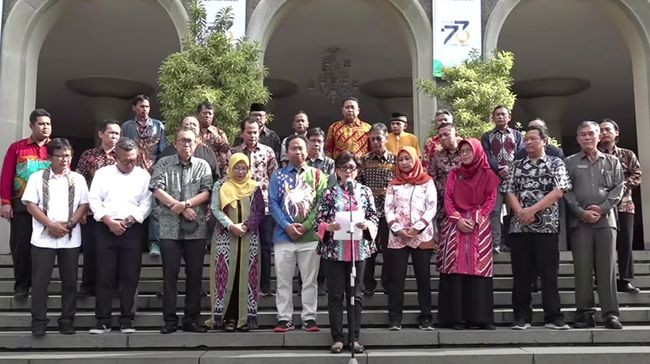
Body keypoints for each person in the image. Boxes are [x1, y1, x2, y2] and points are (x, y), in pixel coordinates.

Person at [505, 124, 571, 330]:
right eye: (526, 139)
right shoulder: (516, 165)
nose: (528, 142)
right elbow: (508, 191)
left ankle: (553, 316)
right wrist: (521, 212)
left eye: (533, 138)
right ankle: (521, 317)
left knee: (548, 273)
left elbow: (559, 191)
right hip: (520, 227)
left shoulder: (555, 163)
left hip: (547, 228)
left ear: (544, 141)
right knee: (521, 273)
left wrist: (532, 210)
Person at [22, 138, 89, 336]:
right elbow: (30, 204)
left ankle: (67, 320)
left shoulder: (78, 178)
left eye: (67, 155)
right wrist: (50, 224)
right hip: (43, 237)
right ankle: (39, 322)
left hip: (70, 237)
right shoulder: (37, 177)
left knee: (69, 282)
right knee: (41, 282)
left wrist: (68, 224)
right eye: (59, 156)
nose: (64, 160)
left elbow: (83, 205)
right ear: (50, 157)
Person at [151, 128, 213, 334]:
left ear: (196, 144)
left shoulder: (202, 165)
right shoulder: (164, 163)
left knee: (195, 275)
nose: (186, 145)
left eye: (190, 141)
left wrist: (185, 205)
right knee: (170, 276)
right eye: (182, 141)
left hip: (196, 230)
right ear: (175, 143)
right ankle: (169, 320)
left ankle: (191, 319)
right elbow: (157, 189)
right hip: (169, 229)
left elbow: (206, 191)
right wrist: (176, 206)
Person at [88, 137, 152, 334]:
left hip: (131, 229)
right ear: (116, 156)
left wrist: (131, 220)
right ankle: (103, 320)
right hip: (105, 227)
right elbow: (94, 200)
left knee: (130, 275)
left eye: (133, 159)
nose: (130, 163)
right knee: (104, 274)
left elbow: (147, 203)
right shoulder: (103, 173)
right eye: (126, 160)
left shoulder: (143, 175)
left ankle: (127, 319)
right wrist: (109, 221)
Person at [316, 151, 378, 354]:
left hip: (358, 250)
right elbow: (320, 220)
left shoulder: (365, 192)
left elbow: (374, 217)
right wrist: (329, 226)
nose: (348, 171)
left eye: (352, 167)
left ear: (357, 170)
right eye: (344, 168)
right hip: (335, 251)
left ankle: (354, 338)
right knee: (335, 295)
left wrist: (367, 224)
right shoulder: (330, 193)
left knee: (355, 295)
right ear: (338, 171)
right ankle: (337, 338)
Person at [565, 121, 624, 330]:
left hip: (606, 222)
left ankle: (610, 314)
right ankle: (584, 313)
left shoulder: (612, 161)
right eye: (583, 134)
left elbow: (618, 189)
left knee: (607, 269)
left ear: (599, 137)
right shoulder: (569, 162)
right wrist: (582, 212)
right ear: (578, 138)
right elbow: (566, 191)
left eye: (591, 134)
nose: (587, 137)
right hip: (580, 222)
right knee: (582, 268)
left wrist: (601, 209)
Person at [436, 138, 500, 330]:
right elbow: (447, 200)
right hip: (455, 225)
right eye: (462, 152)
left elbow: (491, 200)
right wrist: (458, 220)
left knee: (478, 269)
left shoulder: (488, 174)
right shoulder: (454, 175)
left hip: (479, 226)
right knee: (455, 268)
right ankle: (456, 318)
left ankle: (480, 318)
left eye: (468, 151)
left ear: (478, 152)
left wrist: (477, 219)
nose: (464, 155)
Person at [269, 135, 328, 333]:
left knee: (309, 281)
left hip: (310, 238)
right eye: (293, 148)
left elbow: (320, 203)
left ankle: (309, 318)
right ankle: (284, 318)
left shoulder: (318, 175)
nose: (298, 152)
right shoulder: (278, 176)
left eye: (302, 148)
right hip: (283, 237)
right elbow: (273, 204)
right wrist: (287, 226)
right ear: (287, 152)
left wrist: (307, 225)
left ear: (309, 150)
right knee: (283, 280)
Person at [208, 153, 265, 331]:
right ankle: (228, 318)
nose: (240, 172)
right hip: (226, 237)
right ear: (230, 168)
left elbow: (259, 211)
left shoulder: (254, 187)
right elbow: (215, 209)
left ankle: (246, 318)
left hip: (249, 238)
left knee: (246, 275)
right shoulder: (221, 185)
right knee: (226, 275)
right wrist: (231, 226)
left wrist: (246, 226)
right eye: (237, 168)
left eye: (244, 168)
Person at [0, 108, 52, 299]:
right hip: (20, 205)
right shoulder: (17, 147)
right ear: (31, 126)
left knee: (43, 248)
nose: (45, 127)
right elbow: (6, 175)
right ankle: (21, 286)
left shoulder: (55, 148)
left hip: (47, 207)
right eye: (41, 123)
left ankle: (39, 285)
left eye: (48, 124)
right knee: (21, 246)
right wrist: (5, 202)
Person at [384, 146, 436, 331]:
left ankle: (426, 317)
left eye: (408, 159)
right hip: (398, 237)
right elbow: (388, 209)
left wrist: (417, 228)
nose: (404, 163)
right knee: (396, 279)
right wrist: (398, 229)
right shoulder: (393, 184)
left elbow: (431, 206)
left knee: (423, 278)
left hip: (422, 236)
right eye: (401, 159)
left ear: (415, 160)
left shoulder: (427, 181)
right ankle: (395, 319)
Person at [231, 117, 278, 296]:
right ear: (242, 133)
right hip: (241, 205)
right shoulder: (234, 152)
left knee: (265, 246)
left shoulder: (268, 152)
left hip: (265, 205)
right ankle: (242, 284)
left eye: (255, 132)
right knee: (242, 245)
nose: (252, 135)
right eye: (248, 132)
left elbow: (273, 178)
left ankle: (264, 286)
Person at [76, 119, 120, 298]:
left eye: (117, 133)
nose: (114, 136)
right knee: (92, 250)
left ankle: (113, 286)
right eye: (111, 132)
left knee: (115, 252)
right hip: (93, 211)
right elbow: (79, 182)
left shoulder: (123, 156)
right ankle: (88, 285)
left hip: (117, 212)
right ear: (101, 134)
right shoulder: (89, 155)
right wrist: (82, 209)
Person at [598, 118, 642, 294]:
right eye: (601, 130)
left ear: (617, 133)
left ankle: (624, 279)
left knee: (625, 243)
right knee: (602, 244)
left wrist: (621, 187)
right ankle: (601, 278)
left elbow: (637, 174)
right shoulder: (594, 155)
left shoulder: (627, 154)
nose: (604, 133)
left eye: (608, 130)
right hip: (601, 206)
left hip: (624, 205)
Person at [121, 94, 167, 257]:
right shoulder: (126, 127)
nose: (144, 109)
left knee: (154, 207)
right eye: (141, 106)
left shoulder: (158, 126)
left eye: (147, 106)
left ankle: (154, 243)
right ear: (134, 108)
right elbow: (123, 149)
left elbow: (163, 151)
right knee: (133, 204)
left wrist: (155, 168)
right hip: (132, 172)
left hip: (152, 172)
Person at [358, 123, 396, 297]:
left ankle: (388, 283)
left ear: (386, 138)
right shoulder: (364, 160)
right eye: (372, 139)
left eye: (378, 138)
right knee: (369, 249)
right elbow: (359, 185)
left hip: (389, 213)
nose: (375, 142)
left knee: (388, 251)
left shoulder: (396, 160)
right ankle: (367, 284)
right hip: (370, 214)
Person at [481, 105, 524, 253]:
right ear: (493, 118)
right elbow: (487, 155)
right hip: (495, 179)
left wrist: (509, 169)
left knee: (514, 211)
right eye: (497, 115)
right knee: (495, 210)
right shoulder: (487, 136)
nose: (500, 117)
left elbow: (520, 154)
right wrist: (499, 169)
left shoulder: (517, 135)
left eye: (503, 114)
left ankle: (513, 243)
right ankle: (495, 244)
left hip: (513, 180)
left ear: (509, 117)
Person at [305, 127, 336, 294]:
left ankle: (321, 281)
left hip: (323, 210)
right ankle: (303, 281)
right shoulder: (303, 161)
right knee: (305, 248)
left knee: (322, 245)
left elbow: (331, 186)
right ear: (307, 142)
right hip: (304, 210)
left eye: (319, 141)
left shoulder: (329, 163)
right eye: (313, 141)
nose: (316, 144)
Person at [160, 116, 220, 181]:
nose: (191, 126)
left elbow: (216, 177)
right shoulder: (168, 151)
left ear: (199, 129)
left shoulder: (208, 153)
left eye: (194, 124)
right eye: (187, 124)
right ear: (181, 128)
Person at [428, 122, 461, 223]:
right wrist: (447, 192)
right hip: (443, 208)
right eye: (440, 136)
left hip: (464, 205)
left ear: (455, 135)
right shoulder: (436, 157)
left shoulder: (465, 153)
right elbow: (432, 180)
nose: (442, 138)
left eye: (446, 134)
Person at [197, 101, 231, 177]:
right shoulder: (192, 133)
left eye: (210, 113)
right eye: (204, 113)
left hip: (216, 175)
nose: (207, 116)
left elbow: (227, 157)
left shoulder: (219, 133)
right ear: (198, 114)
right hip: (197, 173)